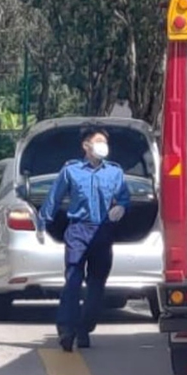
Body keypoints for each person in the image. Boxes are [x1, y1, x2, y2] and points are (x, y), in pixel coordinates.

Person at [38, 125, 130, 352]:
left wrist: (122, 208)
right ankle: (67, 330)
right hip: (78, 230)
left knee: (97, 285)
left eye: (105, 142)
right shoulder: (71, 171)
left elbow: (124, 197)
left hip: (103, 231)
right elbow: (54, 198)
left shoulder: (115, 172)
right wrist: (42, 223)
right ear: (86, 146)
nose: (103, 146)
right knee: (73, 281)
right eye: (98, 141)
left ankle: (84, 327)